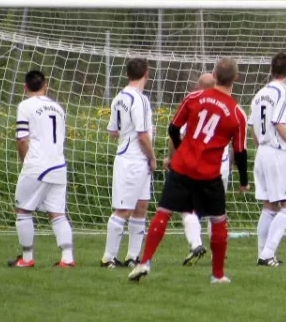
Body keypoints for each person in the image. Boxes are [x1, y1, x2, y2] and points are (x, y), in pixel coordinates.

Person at [128, 58, 249, 284]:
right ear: (236, 78)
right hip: (209, 173)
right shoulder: (237, 114)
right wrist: (243, 179)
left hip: (182, 166)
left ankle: (144, 262)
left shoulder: (193, 97)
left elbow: (173, 127)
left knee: (163, 211)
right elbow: (240, 152)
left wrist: (181, 147)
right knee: (218, 221)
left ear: (214, 74)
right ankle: (217, 275)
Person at [162, 73, 232, 266]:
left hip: (196, 166)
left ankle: (196, 244)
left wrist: (171, 157)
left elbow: (175, 134)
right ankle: (218, 251)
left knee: (188, 208)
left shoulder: (194, 104)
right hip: (221, 165)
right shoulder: (226, 106)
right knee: (216, 211)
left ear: (197, 86)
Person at [8, 70, 74, 268]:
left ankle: (27, 259)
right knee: (57, 213)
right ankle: (68, 258)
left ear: (25, 87)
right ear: (46, 86)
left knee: (23, 210)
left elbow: (21, 139)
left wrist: (25, 161)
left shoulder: (25, 106)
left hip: (36, 165)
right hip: (59, 165)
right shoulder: (58, 107)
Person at [248, 52, 286, 267]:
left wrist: (260, 146)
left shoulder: (260, 93)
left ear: (271, 71)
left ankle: (263, 255)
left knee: (270, 206)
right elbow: (278, 122)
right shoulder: (284, 91)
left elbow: (251, 126)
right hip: (278, 152)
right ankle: (267, 254)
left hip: (262, 152)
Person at [100, 58, 156, 268]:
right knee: (123, 209)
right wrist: (152, 157)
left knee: (141, 206)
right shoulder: (139, 100)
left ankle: (132, 256)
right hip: (133, 159)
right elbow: (142, 135)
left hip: (132, 157)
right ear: (146, 74)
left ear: (127, 74)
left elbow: (113, 131)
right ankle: (108, 257)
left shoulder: (119, 98)